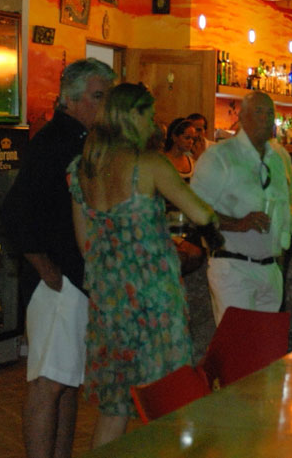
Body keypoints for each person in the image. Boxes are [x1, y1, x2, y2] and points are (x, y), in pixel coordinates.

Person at [67, 83, 218, 446]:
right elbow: (201, 212)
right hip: (153, 301)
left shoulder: (80, 170)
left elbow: (85, 244)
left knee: (115, 407)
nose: (155, 124)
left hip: (109, 302)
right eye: (149, 115)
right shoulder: (148, 163)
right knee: (167, 397)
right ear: (132, 115)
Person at [1, 58, 115, 458]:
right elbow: (12, 212)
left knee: (68, 382)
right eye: (99, 96)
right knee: (49, 383)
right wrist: (44, 266)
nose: (104, 105)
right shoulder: (53, 142)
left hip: (73, 278)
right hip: (58, 281)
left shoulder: (81, 140)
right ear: (71, 98)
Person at [191, 91, 291, 323]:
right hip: (234, 268)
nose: (266, 118)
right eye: (258, 111)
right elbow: (193, 208)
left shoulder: (276, 159)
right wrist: (238, 223)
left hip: (270, 270)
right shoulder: (220, 156)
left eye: (270, 113)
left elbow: (284, 212)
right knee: (237, 346)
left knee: (266, 352)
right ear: (242, 117)